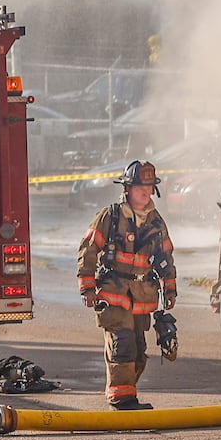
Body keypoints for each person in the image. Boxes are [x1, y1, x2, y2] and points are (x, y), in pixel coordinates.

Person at [76, 160, 177, 411]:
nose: (146, 192)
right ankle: (121, 401)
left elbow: (165, 256)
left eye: (149, 187)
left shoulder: (156, 222)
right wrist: (87, 287)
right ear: (127, 188)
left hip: (142, 296)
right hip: (113, 292)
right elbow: (88, 250)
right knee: (122, 344)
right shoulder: (110, 217)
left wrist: (170, 289)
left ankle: (126, 393)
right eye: (141, 187)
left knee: (139, 351)